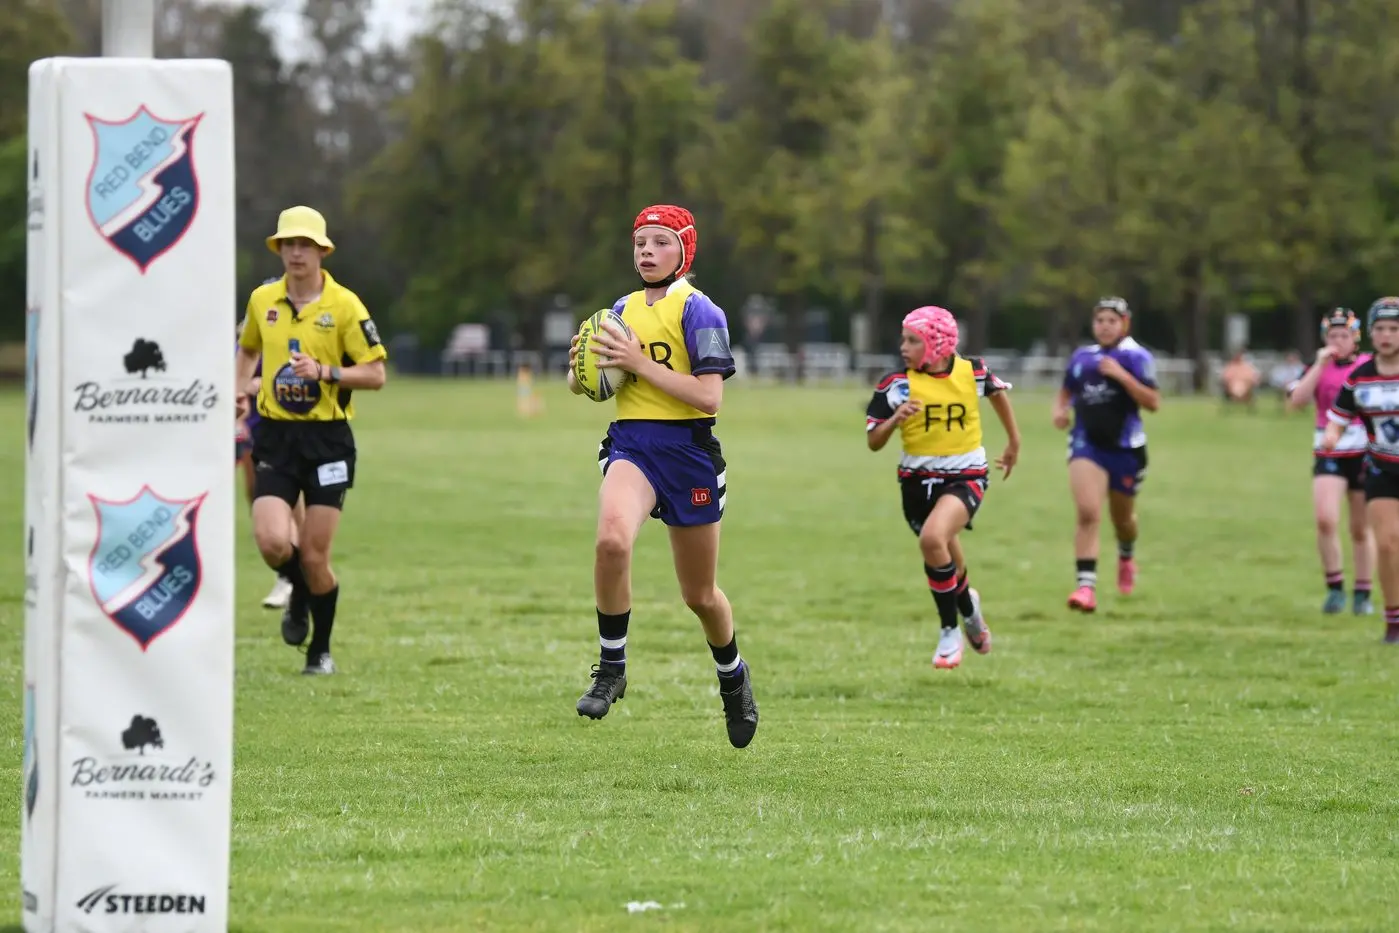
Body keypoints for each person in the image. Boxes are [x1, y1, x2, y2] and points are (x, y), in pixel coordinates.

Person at [566, 204, 758, 749]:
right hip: (634, 443)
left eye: (659, 242)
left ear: (684, 251)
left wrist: (639, 362)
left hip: (688, 453)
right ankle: (611, 666)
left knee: (699, 595)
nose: (646, 251)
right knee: (611, 540)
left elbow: (709, 395)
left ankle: (733, 680)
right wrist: (581, 373)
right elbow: (590, 384)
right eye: (640, 243)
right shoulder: (619, 310)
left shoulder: (701, 311)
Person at [235, 206, 388, 675]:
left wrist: (325, 372)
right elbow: (247, 350)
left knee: (317, 555)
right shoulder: (263, 301)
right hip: (276, 439)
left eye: (304, 244)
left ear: (322, 251)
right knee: (272, 542)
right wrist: (240, 390)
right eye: (288, 244)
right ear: (279, 250)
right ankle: (297, 592)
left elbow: (376, 374)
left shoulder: (345, 306)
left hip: (327, 441)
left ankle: (319, 652)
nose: (295, 252)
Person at [864, 307, 1020, 669]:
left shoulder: (971, 371)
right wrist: (894, 420)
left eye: (913, 340)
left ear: (938, 343)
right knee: (946, 555)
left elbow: (997, 394)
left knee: (932, 540)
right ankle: (969, 610)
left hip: (966, 476)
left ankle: (950, 630)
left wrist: (1014, 442)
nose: (904, 347)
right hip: (916, 485)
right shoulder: (895, 384)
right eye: (903, 339)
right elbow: (873, 441)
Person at [1053, 297, 1160, 612]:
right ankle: (1085, 588)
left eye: (1112, 321)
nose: (1104, 326)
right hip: (1086, 445)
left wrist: (1121, 376)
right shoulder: (1082, 357)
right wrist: (1060, 410)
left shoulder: (1136, 357)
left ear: (1124, 324)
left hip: (1126, 448)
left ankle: (1126, 556)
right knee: (1088, 512)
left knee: (1123, 519)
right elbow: (1066, 390)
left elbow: (1153, 402)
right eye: (1099, 320)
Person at [1287, 309, 1375, 615]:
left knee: (1361, 527)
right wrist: (1319, 364)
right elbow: (1295, 402)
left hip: (1364, 451)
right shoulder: (1317, 366)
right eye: (1332, 335)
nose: (1338, 341)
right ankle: (1335, 588)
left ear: (1356, 339)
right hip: (1328, 449)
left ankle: (1363, 592)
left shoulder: (1368, 366)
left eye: (1344, 336)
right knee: (1325, 519)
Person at [1324, 297, 1399, 644]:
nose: (1386, 336)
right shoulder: (1359, 379)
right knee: (1386, 544)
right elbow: (1337, 418)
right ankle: (1393, 621)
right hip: (1382, 469)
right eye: (1380, 329)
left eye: (1394, 329)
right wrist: (1331, 436)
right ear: (1370, 333)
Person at [235, 318, 303, 610]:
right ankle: (294, 568)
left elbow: (299, 378)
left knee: (285, 496)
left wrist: (257, 383)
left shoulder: (295, 338)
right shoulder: (246, 339)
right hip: (250, 425)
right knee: (256, 494)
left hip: (286, 424)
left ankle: (293, 575)